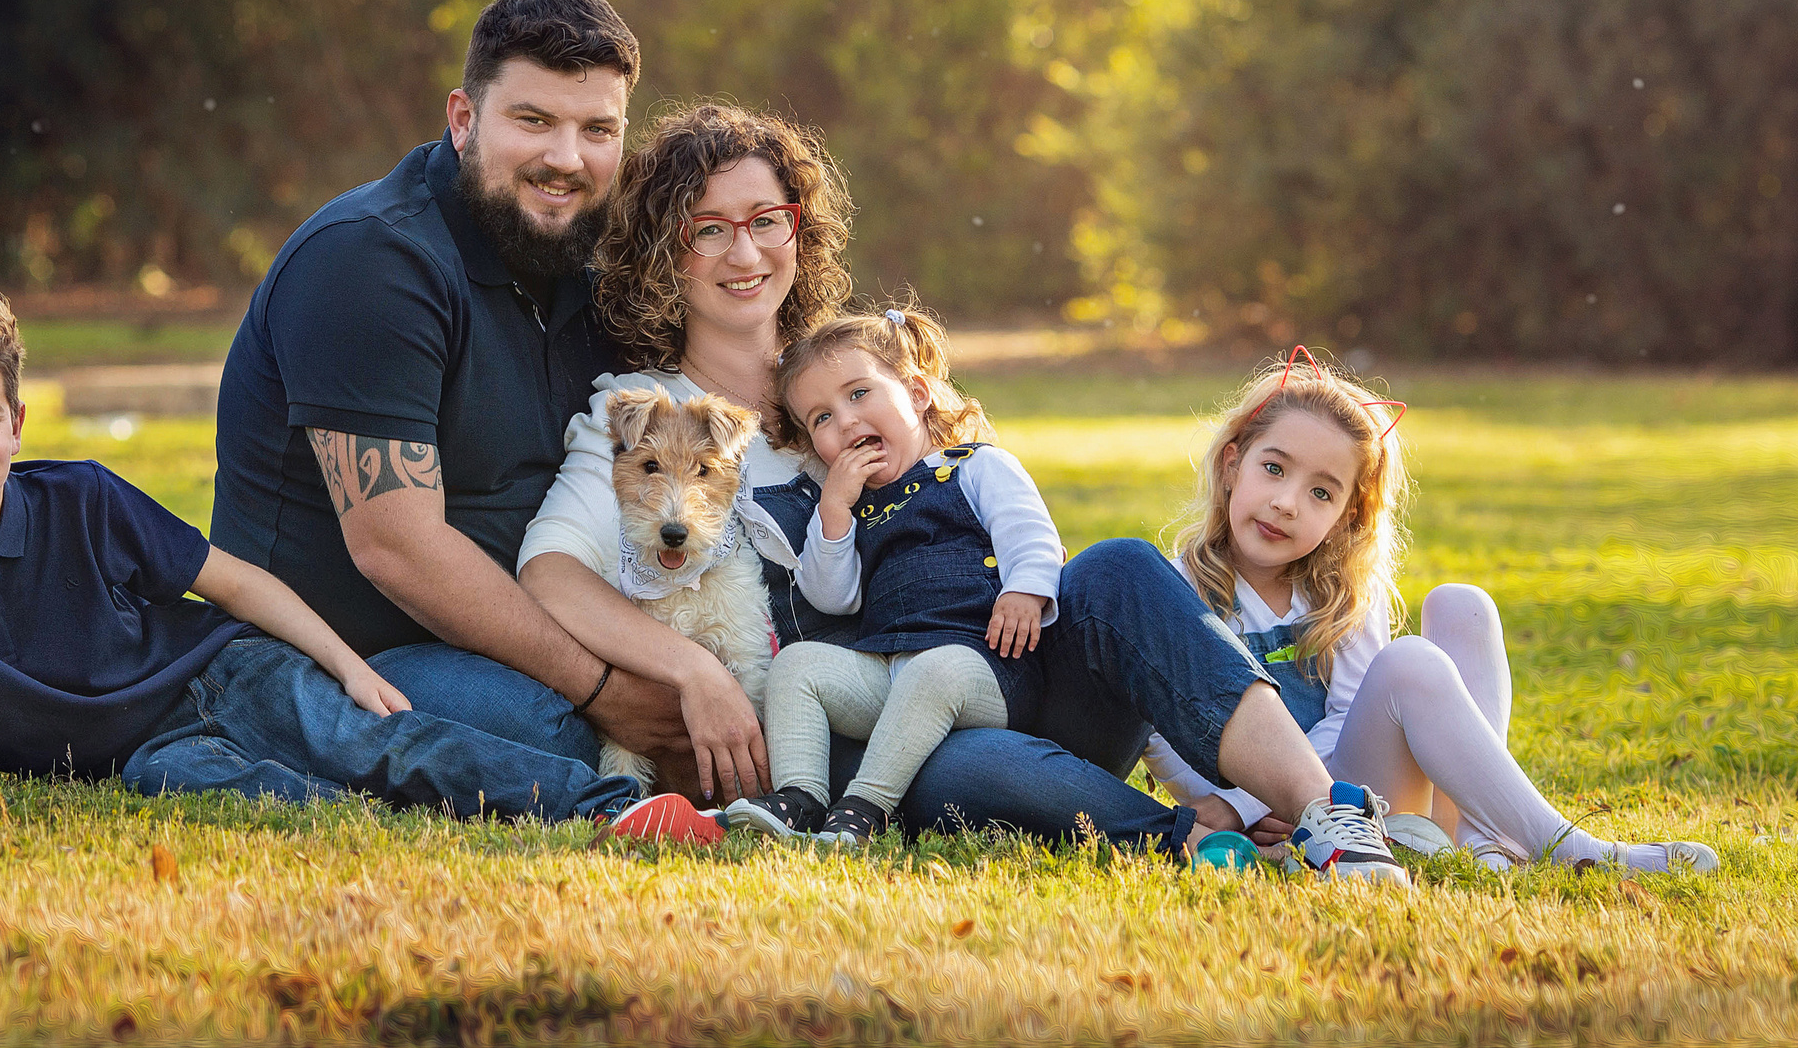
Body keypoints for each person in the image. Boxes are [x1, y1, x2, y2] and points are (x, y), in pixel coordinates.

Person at [518, 103, 1410, 880]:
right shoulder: (646, 419)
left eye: (765, 219)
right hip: (889, 737)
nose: (744, 250)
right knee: (953, 767)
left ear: (800, 229)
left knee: (1119, 568)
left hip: (1016, 673)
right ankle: (1191, 836)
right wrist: (693, 672)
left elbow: (980, 497)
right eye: (708, 228)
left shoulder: (852, 377)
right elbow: (552, 572)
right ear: (663, 255)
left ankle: (1330, 814)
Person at [0, 291, 719, 842]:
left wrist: (350, 668)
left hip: (223, 671)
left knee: (382, 744)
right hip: (144, 756)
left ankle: (608, 807)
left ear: (16, 425)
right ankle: (420, 825)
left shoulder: (77, 496)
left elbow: (230, 581)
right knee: (298, 805)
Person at [206, 0, 691, 785]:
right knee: (561, 737)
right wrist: (605, 687)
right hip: (341, 655)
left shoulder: (587, 259)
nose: (567, 158)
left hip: (544, 622)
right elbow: (398, 548)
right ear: (464, 119)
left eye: (597, 129)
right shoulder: (371, 261)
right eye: (533, 120)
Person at [1141, 347, 1721, 874]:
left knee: (1461, 605)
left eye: (1322, 492)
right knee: (1409, 665)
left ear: (1347, 515)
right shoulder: (1176, 590)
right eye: (1274, 468)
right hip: (1307, 822)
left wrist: (1253, 799)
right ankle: (1572, 850)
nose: (1287, 503)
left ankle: (1479, 833)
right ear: (1231, 465)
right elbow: (1166, 737)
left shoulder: (1338, 594)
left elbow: (1349, 716)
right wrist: (1244, 804)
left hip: (1374, 795)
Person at [722, 304, 1063, 845]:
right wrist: (833, 512)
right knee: (799, 665)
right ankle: (800, 797)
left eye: (859, 394)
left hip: (984, 668)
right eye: (822, 418)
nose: (847, 421)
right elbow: (832, 597)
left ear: (918, 395)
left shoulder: (976, 467)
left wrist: (1025, 590)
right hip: (888, 677)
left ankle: (865, 807)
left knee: (937, 669)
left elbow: (1033, 533)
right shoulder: (855, 509)